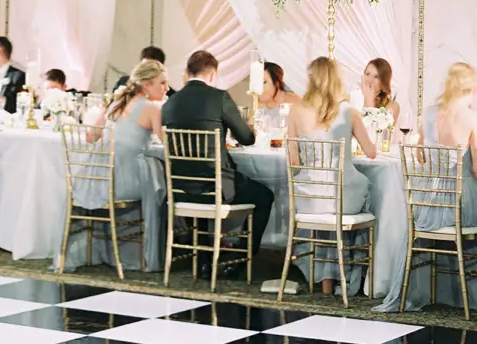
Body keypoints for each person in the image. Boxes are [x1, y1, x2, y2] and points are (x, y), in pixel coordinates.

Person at [377, 61, 477, 312]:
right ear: (468, 89)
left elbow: (421, 158)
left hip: (427, 205)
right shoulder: (471, 117)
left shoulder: (429, 113)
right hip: (458, 203)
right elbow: (476, 168)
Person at [162, 49, 274, 261]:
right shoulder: (219, 97)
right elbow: (247, 139)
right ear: (213, 75)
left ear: (188, 72)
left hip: (180, 190)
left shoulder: (170, 102)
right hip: (216, 187)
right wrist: (249, 126)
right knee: (265, 196)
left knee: (204, 185)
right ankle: (242, 259)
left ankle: (203, 259)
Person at [288, 56, 375, 295]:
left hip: (309, 198)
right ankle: (352, 275)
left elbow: (294, 162)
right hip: (342, 196)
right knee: (365, 194)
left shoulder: (296, 111)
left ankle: (325, 281)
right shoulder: (349, 111)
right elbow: (371, 152)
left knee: (324, 211)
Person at [70, 58, 168, 271]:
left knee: (154, 175)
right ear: (147, 84)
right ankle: (162, 249)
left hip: (94, 180)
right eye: (162, 82)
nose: (167, 88)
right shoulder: (152, 108)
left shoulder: (116, 103)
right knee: (161, 186)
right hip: (122, 183)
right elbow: (167, 146)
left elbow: (90, 136)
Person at [362, 57, 400, 126]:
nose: (369, 80)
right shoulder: (352, 100)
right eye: (367, 74)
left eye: (376, 77)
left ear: (383, 84)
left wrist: (368, 102)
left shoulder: (392, 106)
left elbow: (377, 133)